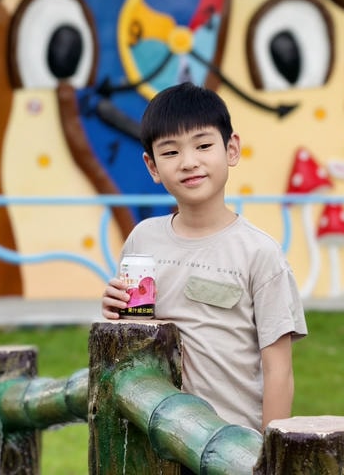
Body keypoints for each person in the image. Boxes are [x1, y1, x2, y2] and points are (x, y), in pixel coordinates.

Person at [101, 82, 307, 434]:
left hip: (232, 446)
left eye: (203, 145)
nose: (189, 162)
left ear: (231, 149)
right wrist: (113, 315)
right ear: (152, 166)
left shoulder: (259, 254)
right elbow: (133, 347)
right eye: (170, 153)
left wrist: (270, 457)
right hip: (155, 444)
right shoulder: (142, 241)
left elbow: (279, 371)